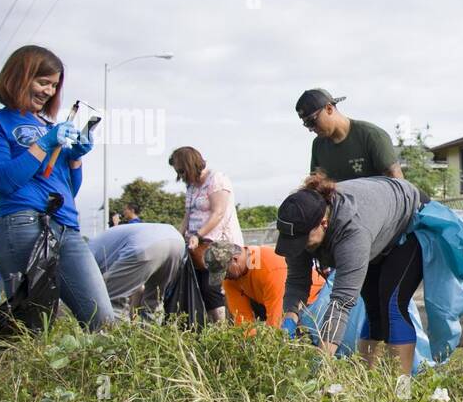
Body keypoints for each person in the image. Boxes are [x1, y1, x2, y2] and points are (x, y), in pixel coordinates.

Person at [0, 45, 114, 330]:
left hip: (66, 228)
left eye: (54, 85)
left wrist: (75, 158)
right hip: (24, 225)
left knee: (103, 321)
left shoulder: (48, 124)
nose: (49, 91)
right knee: (32, 329)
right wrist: (46, 143)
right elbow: (2, 180)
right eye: (43, 82)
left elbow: (67, 192)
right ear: (19, 77)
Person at [276, 174, 428, 376]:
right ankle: (366, 381)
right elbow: (297, 281)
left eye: (304, 240)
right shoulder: (297, 228)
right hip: (376, 227)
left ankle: (401, 392)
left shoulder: (352, 230)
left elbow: (341, 302)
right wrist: (289, 317)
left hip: (407, 218)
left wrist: (320, 366)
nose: (300, 246)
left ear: (323, 223)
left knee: (392, 306)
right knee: (372, 308)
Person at [169, 145, 243, 323]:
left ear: (189, 165)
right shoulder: (191, 187)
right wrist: (178, 237)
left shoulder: (217, 180)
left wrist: (198, 235)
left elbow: (218, 213)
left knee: (211, 288)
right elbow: (187, 216)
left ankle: (221, 329)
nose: (181, 176)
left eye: (181, 171)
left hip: (219, 244)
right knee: (200, 289)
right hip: (197, 248)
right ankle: (210, 327)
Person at [204, 240, 330, 340]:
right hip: (272, 303)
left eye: (225, 272)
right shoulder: (231, 277)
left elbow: (277, 320)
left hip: (313, 302)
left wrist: (271, 348)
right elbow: (242, 321)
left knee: (293, 336)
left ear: (235, 259)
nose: (225, 277)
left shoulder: (268, 267)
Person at [297, 88, 404, 181]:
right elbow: (316, 187)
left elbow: (398, 186)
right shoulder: (318, 145)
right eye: (306, 124)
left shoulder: (371, 136)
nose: (311, 129)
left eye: (312, 121)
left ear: (329, 109)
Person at [88, 222, 186, 319]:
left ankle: (116, 333)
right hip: (176, 240)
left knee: (112, 300)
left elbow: (96, 287)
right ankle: (150, 333)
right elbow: (137, 286)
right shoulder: (97, 244)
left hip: (143, 245)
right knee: (154, 300)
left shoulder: (86, 254)